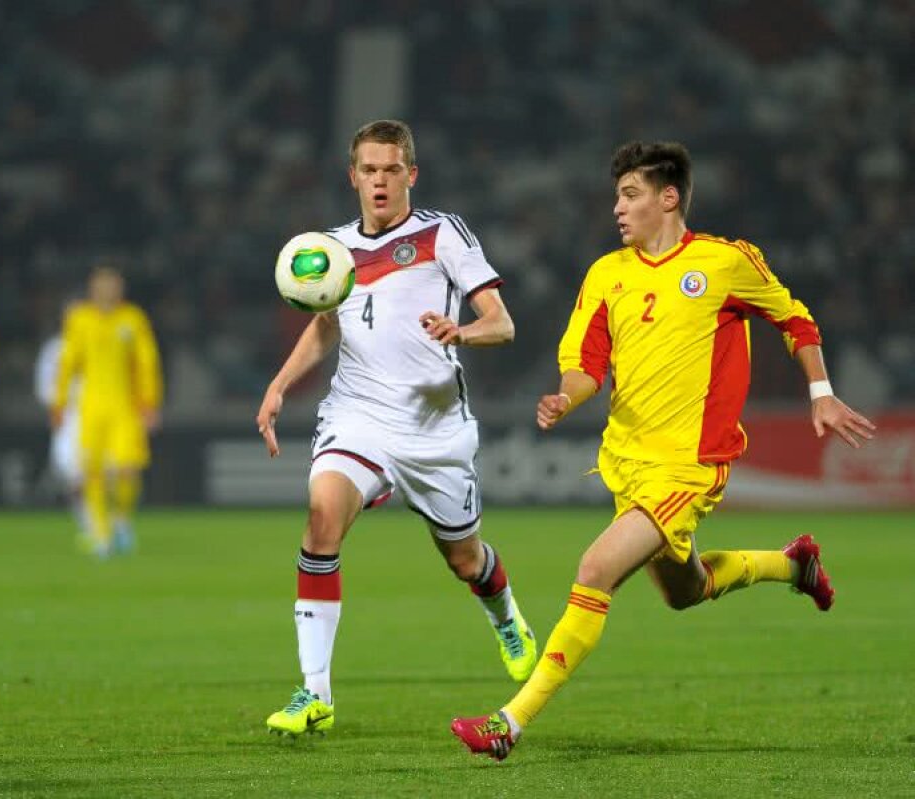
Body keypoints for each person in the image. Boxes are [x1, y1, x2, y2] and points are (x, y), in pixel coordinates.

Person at [450, 141, 876, 761]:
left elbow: (796, 319)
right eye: (617, 196)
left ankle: (508, 725)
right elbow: (586, 364)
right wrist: (565, 400)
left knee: (595, 570)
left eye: (630, 195)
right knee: (686, 591)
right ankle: (794, 565)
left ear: (668, 197)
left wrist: (822, 392)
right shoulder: (607, 273)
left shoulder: (724, 262)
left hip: (690, 464)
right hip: (626, 459)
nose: (618, 209)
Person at [257, 119, 537, 737]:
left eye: (391, 170)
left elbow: (502, 322)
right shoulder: (330, 249)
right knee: (322, 519)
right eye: (368, 170)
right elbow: (327, 324)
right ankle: (315, 692)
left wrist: (461, 331)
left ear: (411, 174)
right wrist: (280, 385)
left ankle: (506, 615)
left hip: (436, 432)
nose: (379, 181)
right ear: (352, 176)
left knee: (465, 560)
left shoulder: (442, 234)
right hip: (358, 417)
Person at [52, 265, 162, 558]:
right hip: (91, 407)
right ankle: (100, 534)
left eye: (113, 286)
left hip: (124, 406)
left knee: (127, 469)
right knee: (93, 472)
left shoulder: (132, 319)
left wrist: (149, 403)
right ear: (92, 289)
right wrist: (59, 401)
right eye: (102, 286)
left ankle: (121, 518)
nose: (108, 292)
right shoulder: (80, 319)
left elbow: (146, 362)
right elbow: (68, 362)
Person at [34, 304, 85, 534]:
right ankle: (86, 518)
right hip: (68, 414)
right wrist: (54, 408)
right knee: (68, 468)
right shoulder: (55, 349)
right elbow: (44, 383)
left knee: (101, 470)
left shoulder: (92, 344)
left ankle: (105, 518)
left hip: (94, 411)